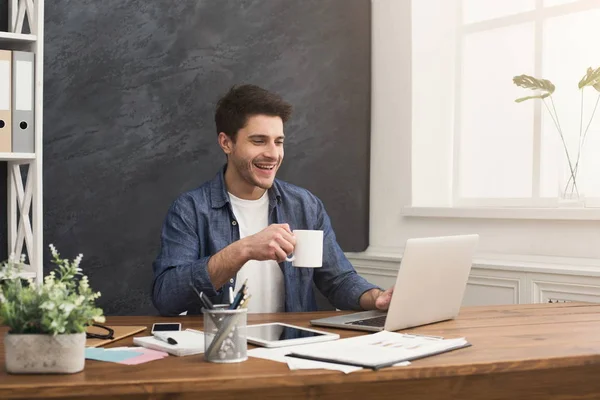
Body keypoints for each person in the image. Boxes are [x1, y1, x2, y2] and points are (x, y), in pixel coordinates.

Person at [152, 84, 393, 316]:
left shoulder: (305, 206)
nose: (273, 154)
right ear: (226, 143)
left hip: (291, 350)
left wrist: (376, 297)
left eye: (278, 142)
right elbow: (167, 297)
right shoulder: (190, 210)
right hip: (222, 350)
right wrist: (244, 249)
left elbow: (339, 281)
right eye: (259, 141)